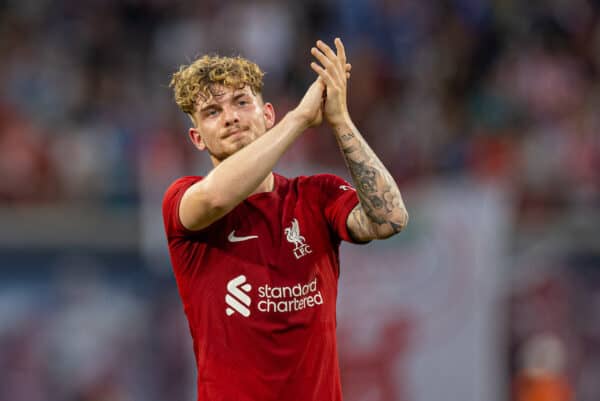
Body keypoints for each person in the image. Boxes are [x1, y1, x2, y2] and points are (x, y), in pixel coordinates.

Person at [162, 38, 408, 401]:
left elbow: (390, 219)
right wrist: (300, 119)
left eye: (242, 102)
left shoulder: (316, 195)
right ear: (198, 138)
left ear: (268, 115)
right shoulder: (184, 200)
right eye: (213, 111)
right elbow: (216, 196)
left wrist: (339, 120)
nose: (230, 117)